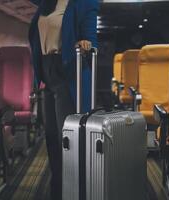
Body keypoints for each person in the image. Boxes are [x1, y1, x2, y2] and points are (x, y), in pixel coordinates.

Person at [29, 0, 98, 199]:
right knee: (51, 138)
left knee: (67, 140)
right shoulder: (46, 4)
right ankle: (58, 191)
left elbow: (90, 38)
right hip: (46, 76)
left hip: (67, 74)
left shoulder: (85, 3)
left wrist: (85, 43)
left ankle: (75, 192)